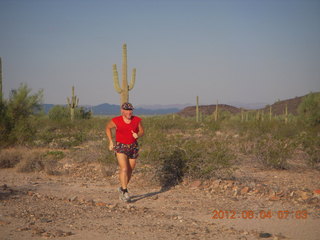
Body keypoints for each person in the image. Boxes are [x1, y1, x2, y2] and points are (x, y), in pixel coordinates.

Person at [105, 102, 144, 202]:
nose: (129, 112)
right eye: (126, 110)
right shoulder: (116, 120)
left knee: (130, 170)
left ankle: (122, 188)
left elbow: (142, 131)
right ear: (122, 111)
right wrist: (110, 141)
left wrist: (137, 135)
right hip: (121, 146)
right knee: (124, 169)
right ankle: (125, 191)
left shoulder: (137, 120)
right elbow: (108, 128)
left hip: (133, 147)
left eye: (130, 110)